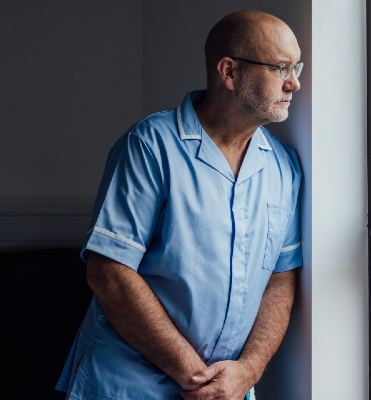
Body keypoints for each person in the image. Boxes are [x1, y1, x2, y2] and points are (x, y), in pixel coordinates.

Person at [56, 10, 303, 400]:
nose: (295, 82)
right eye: (280, 67)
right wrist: (196, 378)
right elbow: (109, 273)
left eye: (297, 66)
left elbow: (280, 277)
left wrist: (247, 373)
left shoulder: (284, 165)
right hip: (128, 385)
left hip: (228, 389)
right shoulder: (150, 146)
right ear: (229, 72)